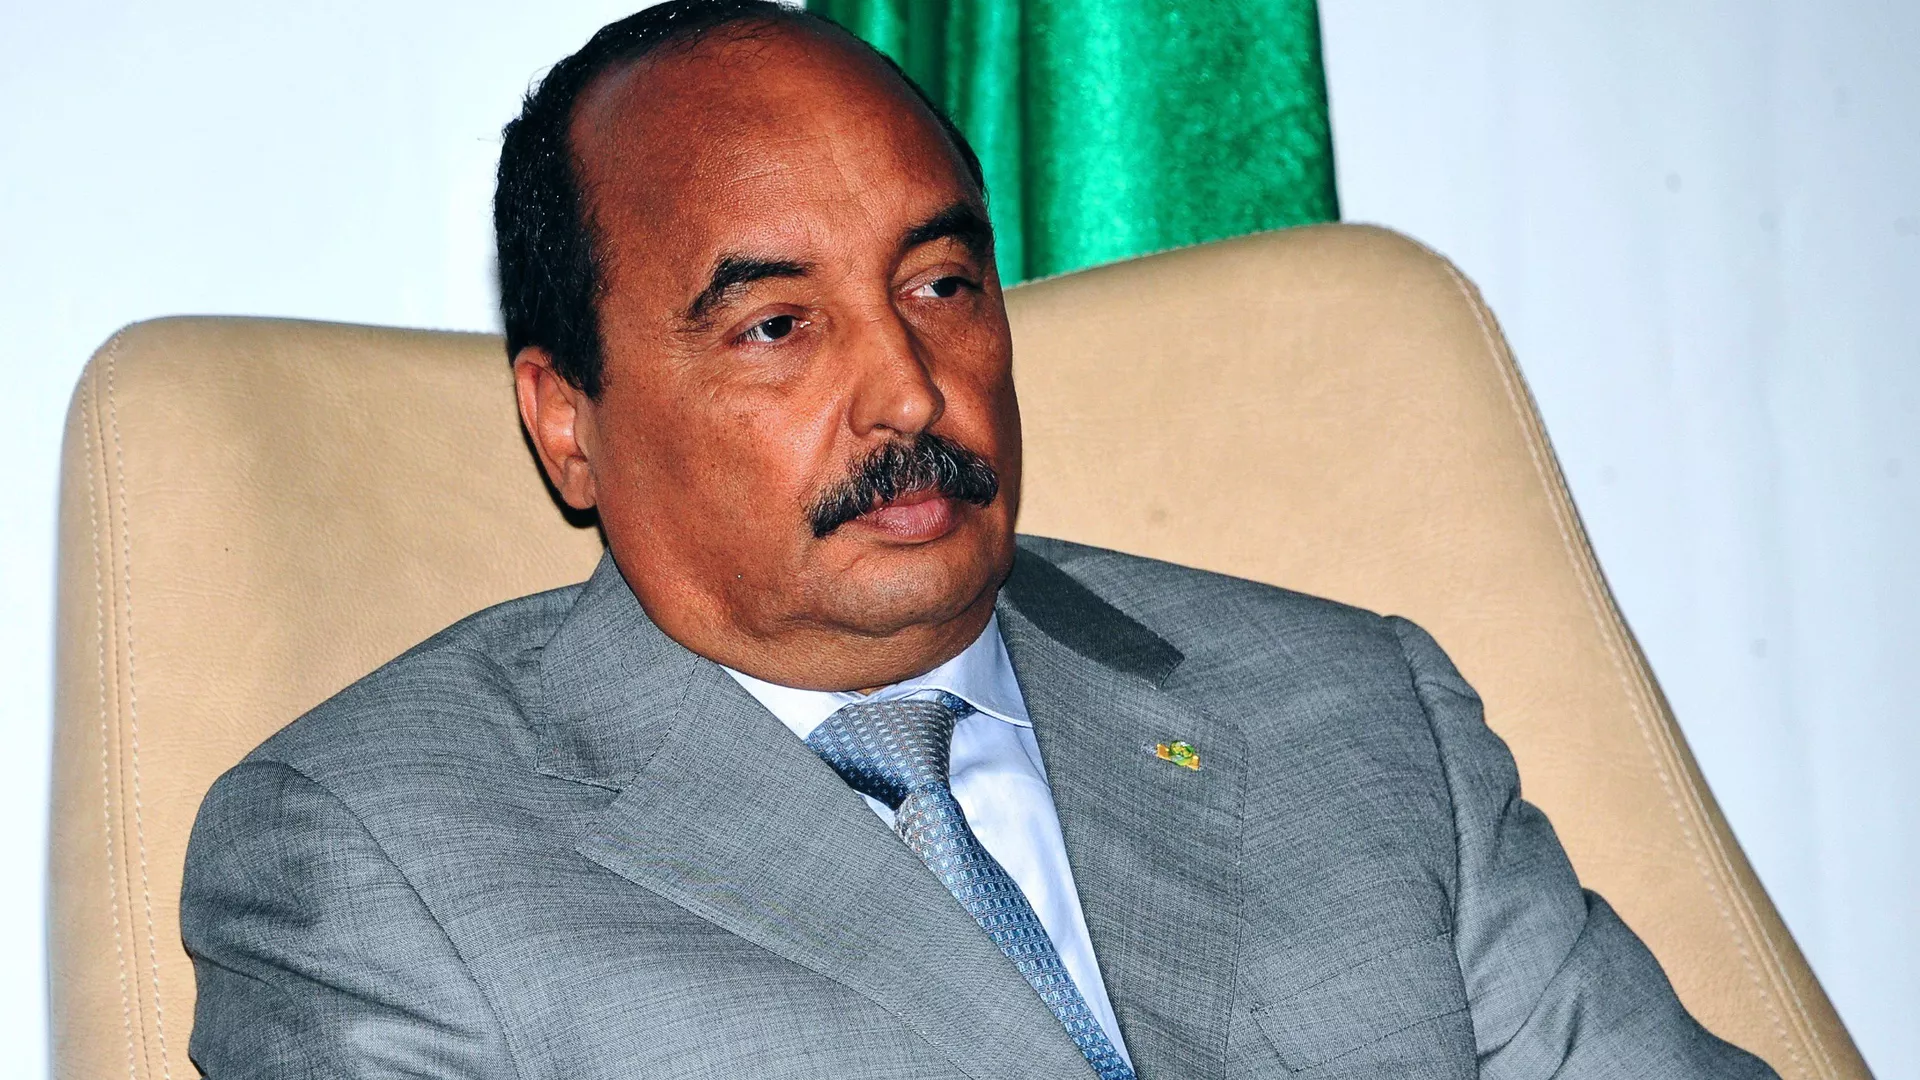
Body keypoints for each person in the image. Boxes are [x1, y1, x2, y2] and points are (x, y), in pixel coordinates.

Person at [180, 3, 1779, 1077]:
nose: (908, 388)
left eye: (940, 286)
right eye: (777, 324)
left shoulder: (1355, 708)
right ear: (566, 421)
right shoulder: (375, 856)